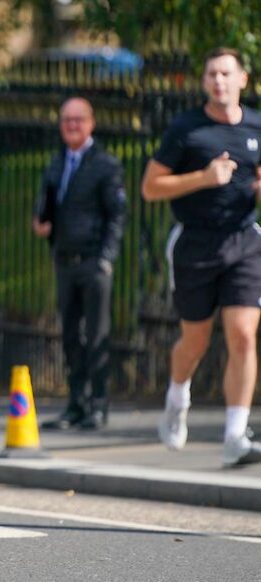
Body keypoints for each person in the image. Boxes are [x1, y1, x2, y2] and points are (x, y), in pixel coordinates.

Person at [142, 47, 261, 467]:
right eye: (212, 74)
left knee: (244, 335)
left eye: (227, 74)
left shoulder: (256, 127)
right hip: (195, 243)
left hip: (245, 241)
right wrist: (204, 178)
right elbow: (151, 188)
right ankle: (177, 395)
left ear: (243, 79)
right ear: (204, 81)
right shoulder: (187, 129)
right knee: (195, 340)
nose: (219, 81)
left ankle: (235, 435)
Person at [33, 97, 126, 431]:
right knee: (71, 335)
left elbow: (117, 215)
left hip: (93, 261)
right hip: (64, 259)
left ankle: (98, 405)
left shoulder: (105, 164)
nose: (72, 125)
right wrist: (42, 224)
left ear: (91, 123)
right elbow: (46, 203)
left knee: (97, 334)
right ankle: (76, 404)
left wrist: (105, 259)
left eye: (78, 119)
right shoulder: (57, 162)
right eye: (66, 120)